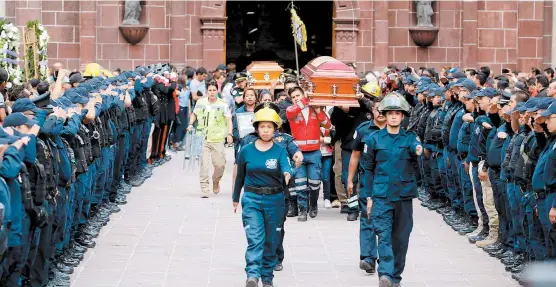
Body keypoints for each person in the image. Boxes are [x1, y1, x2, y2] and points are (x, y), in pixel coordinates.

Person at [361, 92, 423, 287]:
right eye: (390, 113)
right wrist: (369, 196)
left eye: (397, 113)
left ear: (402, 116)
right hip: (381, 196)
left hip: (404, 197)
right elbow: (368, 170)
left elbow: (417, 148)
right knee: (384, 235)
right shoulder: (373, 139)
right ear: (384, 115)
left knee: (401, 239)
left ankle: (395, 277)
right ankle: (385, 275)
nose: (394, 116)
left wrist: (419, 150)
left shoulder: (410, 138)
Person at [233, 102, 292, 287]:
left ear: (275, 129)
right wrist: (235, 198)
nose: (265, 130)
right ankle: (252, 275)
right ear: (256, 128)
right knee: (255, 239)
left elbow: (286, 166)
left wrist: (288, 173)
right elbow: (240, 176)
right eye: (262, 127)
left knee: (270, 241)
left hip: (275, 200)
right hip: (252, 199)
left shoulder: (280, 151)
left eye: (269, 127)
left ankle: (267, 278)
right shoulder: (246, 150)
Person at [286, 86, 331, 221]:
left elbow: (327, 125)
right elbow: (290, 112)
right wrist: (306, 98)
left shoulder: (315, 109)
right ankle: (302, 210)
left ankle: (313, 204)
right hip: (298, 153)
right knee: (300, 183)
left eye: (297, 96)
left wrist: (318, 110)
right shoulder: (291, 110)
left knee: (315, 182)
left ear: (302, 94)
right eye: (293, 97)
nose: (295, 99)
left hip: (314, 152)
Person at [188, 81, 233, 198]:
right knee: (204, 164)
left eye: (214, 90)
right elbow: (194, 114)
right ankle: (204, 188)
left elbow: (229, 120)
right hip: (202, 137)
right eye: (210, 90)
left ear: (217, 91)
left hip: (217, 138)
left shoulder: (223, 104)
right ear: (206, 91)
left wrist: (229, 134)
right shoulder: (200, 102)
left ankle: (216, 180)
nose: (212, 92)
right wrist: (191, 123)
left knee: (220, 165)